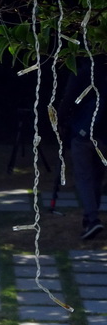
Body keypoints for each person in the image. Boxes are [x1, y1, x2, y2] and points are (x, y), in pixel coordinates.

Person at [60, 55, 107, 240]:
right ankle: (90, 218)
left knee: (84, 177)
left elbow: (68, 99)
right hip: (103, 134)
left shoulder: (83, 73)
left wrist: (61, 120)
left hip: (83, 131)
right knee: (97, 176)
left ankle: (92, 218)